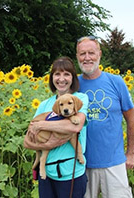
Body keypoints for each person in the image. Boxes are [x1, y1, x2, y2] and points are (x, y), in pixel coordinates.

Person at [76, 36, 134, 198]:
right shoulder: (73, 85)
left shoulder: (116, 82)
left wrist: (130, 153)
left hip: (114, 162)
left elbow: (131, 119)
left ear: (99, 54)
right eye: (82, 54)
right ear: (77, 57)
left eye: (91, 53)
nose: (87, 58)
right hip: (82, 163)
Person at [24, 56, 89, 198]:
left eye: (66, 74)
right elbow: (28, 141)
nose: (61, 79)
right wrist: (48, 143)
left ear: (73, 78)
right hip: (47, 173)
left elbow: (75, 127)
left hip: (72, 172)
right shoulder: (44, 105)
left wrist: (42, 125)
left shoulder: (80, 99)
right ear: (52, 78)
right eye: (57, 74)